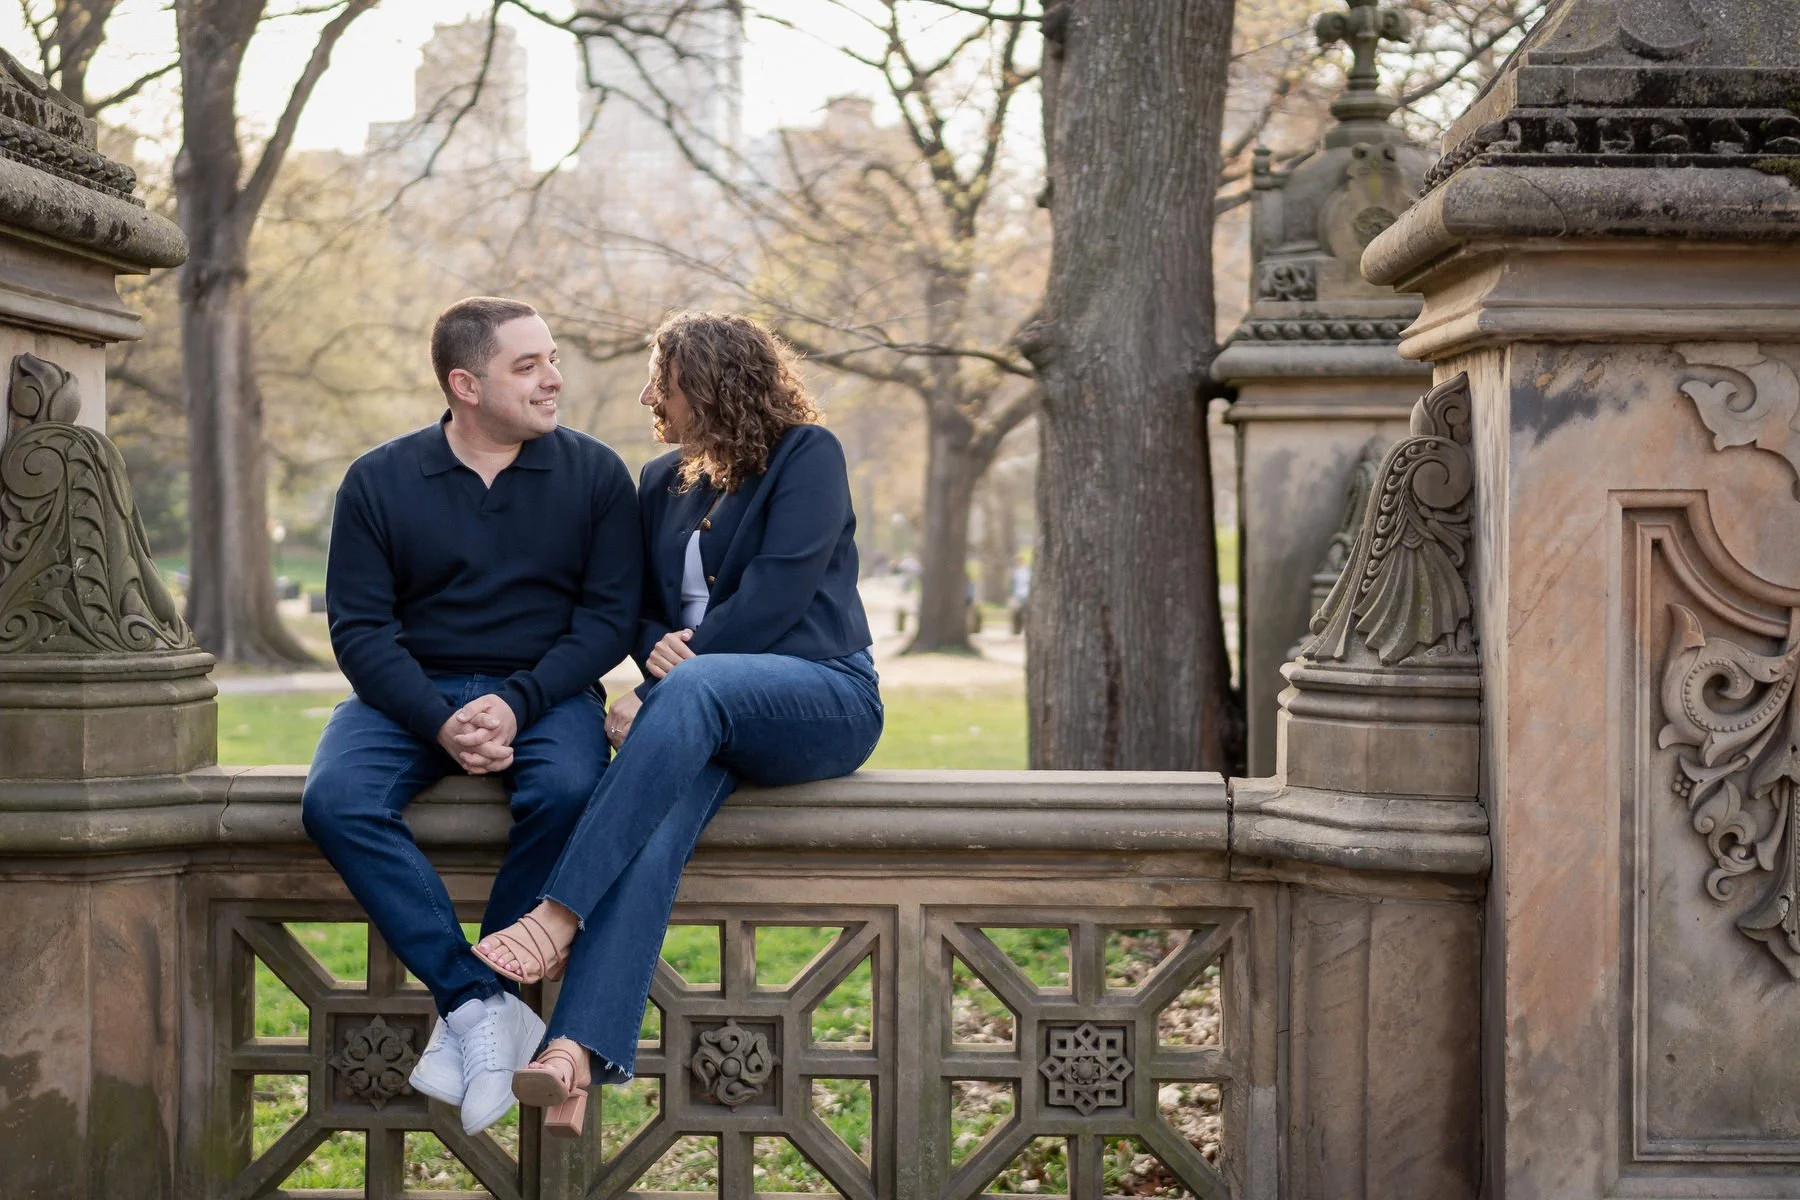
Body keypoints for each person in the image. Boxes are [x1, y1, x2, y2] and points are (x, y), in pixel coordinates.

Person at [470, 310, 883, 1136]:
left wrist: (664, 688)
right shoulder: (661, 479)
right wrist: (656, 656)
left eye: (665, 378)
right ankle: (573, 1056)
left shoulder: (807, 455)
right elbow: (632, 608)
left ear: (716, 380)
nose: (649, 394)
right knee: (652, 836)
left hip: (821, 695)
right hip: (698, 720)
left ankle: (555, 916)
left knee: (697, 693)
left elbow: (777, 596)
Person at [301, 297, 641, 1136]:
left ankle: (482, 1005)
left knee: (567, 792)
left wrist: (520, 699)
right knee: (335, 801)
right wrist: (436, 719)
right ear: (465, 384)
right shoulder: (379, 479)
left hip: (547, 690)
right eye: (527, 366)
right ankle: (477, 1001)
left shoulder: (596, 475)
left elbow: (605, 620)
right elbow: (359, 628)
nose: (553, 378)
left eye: (552, 358)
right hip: (407, 691)